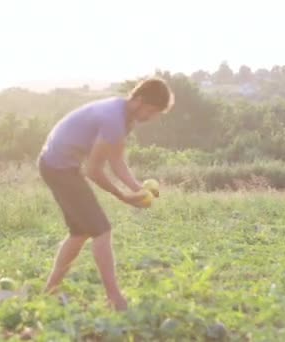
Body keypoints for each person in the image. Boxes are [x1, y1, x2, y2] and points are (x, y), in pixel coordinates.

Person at [37, 77, 174, 310]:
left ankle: (50, 290)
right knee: (102, 230)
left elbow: (117, 159)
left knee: (80, 233)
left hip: (60, 164)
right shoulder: (113, 119)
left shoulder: (125, 116)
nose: (152, 118)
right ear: (138, 100)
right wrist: (123, 196)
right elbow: (93, 170)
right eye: (151, 111)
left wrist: (137, 189)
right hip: (58, 167)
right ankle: (114, 298)